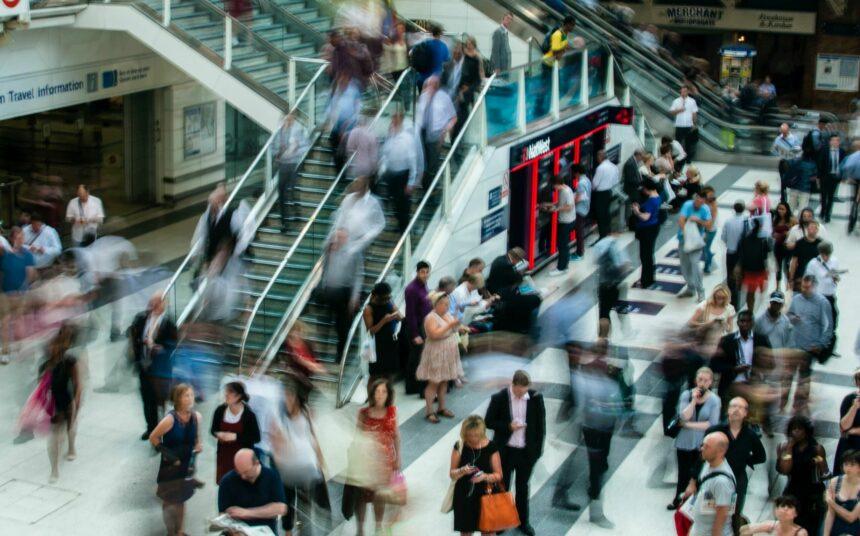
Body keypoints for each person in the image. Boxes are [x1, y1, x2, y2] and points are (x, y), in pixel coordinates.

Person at [484, 371, 545, 536]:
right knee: (503, 487)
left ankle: (523, 521)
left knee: (523, 487)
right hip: (506, 452)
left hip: (526, 453)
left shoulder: (536, 398)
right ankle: (502, 521)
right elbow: (488, 422)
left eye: (525, 391)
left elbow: (541, 427)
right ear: (514, 385)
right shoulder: (499, 398)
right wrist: (508, 426)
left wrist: (537, 452)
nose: (522, 394)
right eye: (519, 391)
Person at [270, 379, 328, 536]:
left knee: (304, 504)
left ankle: (304, 530)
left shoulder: (307, 413)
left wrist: (320, 461)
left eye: (290, 396)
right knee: (287, 501)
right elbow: (274, 442)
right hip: (286, 469)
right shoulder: (278, 416)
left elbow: (314, 437)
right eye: (285, 397)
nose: (287, 400)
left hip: (305, 467)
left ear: (296, 397)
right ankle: (288, 531)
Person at [149, 384, 203, 536]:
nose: (190, 398)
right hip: (170, 468)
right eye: (186, 395)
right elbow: (153, 437)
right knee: (169, 501)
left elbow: (197, 439)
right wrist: (169, 456)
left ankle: (180, 531)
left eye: (192, 395)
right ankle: (170, 533)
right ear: (178, 398)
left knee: (182, 500)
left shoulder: (196, 417)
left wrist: (199, 444)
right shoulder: (169, 419)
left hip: (186, 467)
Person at [354, 378, 402, 535]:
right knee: (361, 497)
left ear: (388, 394)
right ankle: (360, 529)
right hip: (365, 462)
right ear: (372, 394)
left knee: (379, 496)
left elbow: (396, 436)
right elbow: (357, 437)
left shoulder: (392, 412)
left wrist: (398, 457)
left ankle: (378, 526)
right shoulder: (363, 414)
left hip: (384, 463)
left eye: (384, 392)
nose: (380, 395)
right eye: (377, 391)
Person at [669, 367, 721, 509]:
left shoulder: (715, 400)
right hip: (684, 441)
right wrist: (693, 401)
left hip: (702, 443)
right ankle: (678, 499)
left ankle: (692, 503)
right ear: (695, 380)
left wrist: (688, 425)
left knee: (697, 474)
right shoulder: (686, 395)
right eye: (700, 379)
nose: (702, 383)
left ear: (710, 382)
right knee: (683, 473)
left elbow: (711, 424)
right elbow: (683, 415)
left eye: (706, 380)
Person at [705, 397, 766, 515]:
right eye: (733, 406)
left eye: (740, 407)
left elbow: (761, 456)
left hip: (737, 479)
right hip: (715, 476)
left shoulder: (750, 435)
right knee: (710, 512)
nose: (736, 410)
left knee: (734, 514)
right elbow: (702, 456)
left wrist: (745, 460)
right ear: (728, 410)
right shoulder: (715, 430)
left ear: (745, 413)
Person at [130, 294, 177, 440]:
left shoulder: (168, 323)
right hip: (144, 366)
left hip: (160, 370)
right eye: (152, 302)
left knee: (160, 401)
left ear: (164, 304)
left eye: (157, 303)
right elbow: (132, 334)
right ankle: (150, 427)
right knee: (146, 398)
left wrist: (160, 348)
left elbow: (173, 345)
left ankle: (161, 430)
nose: (154, 306)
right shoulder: (141, 319)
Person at [449, 415, 503, 536]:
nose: (473, 439)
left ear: (482, 433)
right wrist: (462, 470)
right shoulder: (460, 446)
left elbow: (499, 475)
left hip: (486, 494)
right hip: (465, 494)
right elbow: (452, 474)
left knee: (488, 531)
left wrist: (484, 476)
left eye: (476, 435)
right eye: (469, 436)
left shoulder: (491, 447)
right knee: (466, 530)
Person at [786, 274, 833, 413]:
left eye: (807, 287)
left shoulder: (822, 303)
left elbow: (829, 326)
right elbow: (788, 315)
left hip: (809, 348)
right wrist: (793, 318)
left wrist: (820, 344)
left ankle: (799, 405)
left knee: (803, 378)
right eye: (803, 287)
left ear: (814, 286)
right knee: (788, 376)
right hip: (794, 345)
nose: (804, 289)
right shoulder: (796, 299)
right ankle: (784, 402)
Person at [42, 323, 82, 483]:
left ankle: (72, 446)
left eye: (55, 345)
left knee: (70, 428)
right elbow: (40, 388)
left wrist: (77, 402)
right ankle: (54, 469)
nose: (53, 348)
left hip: (67, 400)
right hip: (53, 405)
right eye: (51, 346)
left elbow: (78, 384)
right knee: (53, 437)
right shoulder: (45, 365)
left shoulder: (69, 361)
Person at [416, 291, 463, 423]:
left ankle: (441, 408)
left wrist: (459, 326)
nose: (446, 307)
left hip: (448, 351)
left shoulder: (447, 314)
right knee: (434, 382)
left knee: (444, 381)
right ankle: (429, 411)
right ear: (435, 305)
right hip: (436, 351)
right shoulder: (430, 317)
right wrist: (450, 325)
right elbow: (433, 335)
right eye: (443, 304)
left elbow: (453, 328)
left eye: (447, 304)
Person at [777, 415, 828, 534]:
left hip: (812, 494)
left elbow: (825, 473)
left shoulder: (816, 448)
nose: (796, 432)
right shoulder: (785, 447)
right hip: (793, 491)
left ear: (806, 431)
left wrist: (820, 463)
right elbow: (785, 470)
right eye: (793, 429)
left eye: (799, 429)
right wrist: (789, 448)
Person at [218, 449, 288, 534]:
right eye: (239, 472)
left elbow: (281, 508)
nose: (243, 476)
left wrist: (247, 513)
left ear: (257, 463)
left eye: (246, 472)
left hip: (264, 531)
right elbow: (222, 514)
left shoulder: (272, 476)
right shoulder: (227, 481)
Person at [710, 309, 771, 405]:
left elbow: (771, 362)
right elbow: (714, 365)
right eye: (742, 321)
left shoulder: (761, 340)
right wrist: (733, 369)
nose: (745, 324)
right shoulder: (727, 341)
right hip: (731, 385)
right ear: (737, 323)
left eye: (748, 321)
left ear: (753, 323)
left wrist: (757, 371)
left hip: (755, 385)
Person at [379, 111, 421, 233]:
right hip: (391, 174)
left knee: (403, 203)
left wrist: (411, 181)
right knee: (394, 200)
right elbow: (385, 153)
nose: (392, 123)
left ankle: (405, 227)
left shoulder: (407, 139)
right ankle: (399, 224)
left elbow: (412, 160)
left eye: (395, 121)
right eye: (392, 121)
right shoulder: (390, 137)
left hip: (403, 174)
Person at [211, 382, 261, 484]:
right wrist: (218, 434)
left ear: (238, 396)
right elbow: (213, 429)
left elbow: (256, 437)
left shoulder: (249, 415)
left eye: (230, 392)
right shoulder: (220, 410)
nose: (226, 395)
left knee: (240, 485)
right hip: (224, 456)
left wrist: (235, 437)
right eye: (226, 392)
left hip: (242, 460)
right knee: (225, 484)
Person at [754, 291, 796, 412]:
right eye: (773, 303)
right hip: (764, 362)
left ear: (782, 305)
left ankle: (782, 407)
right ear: (770, 303)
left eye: (778, 303)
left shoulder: (786, 322)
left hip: (780, 361)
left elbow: (790, 343)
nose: (775, 305)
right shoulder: (759, 321)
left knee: (784, 385)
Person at [486, 247, 541, 334]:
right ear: (516, 259)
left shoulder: (500, 259)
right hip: (502, 295)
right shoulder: (506, 265)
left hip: (500, 290)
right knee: (534, 299)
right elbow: (516, 278)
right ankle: (524, 327)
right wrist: (521, 272)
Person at [416, 76, 457, 187]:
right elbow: (419, 117)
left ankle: (430, 187)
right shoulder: (423, 97)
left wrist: (445, 130)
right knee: (424, 159)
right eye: (429, 85)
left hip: (437, 133)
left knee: (433, 162)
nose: (431, 87)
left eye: (434, 85)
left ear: (437, 86)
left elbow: (453, 117)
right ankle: (426, 183)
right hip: (422, 133)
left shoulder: (444, 98)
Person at [804, 241, 840, 357]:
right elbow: (807, 279)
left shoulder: (834, 261)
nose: (826, 257)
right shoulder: (813, 264)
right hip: (818, 297)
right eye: (824, 254)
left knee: (833, 321)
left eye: (828, 254)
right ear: (820, 253)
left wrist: (835, 278)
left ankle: (829, 348)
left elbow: (835, 275)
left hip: (830, 295)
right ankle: (812, 347)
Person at [275, 114, 309, 231]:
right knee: (282, 193)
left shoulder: (297, 131)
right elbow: (272, 146)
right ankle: (284, 223)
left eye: (290, 120)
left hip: (293, 165)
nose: (287, 122)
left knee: (292, 190)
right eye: (285, 120)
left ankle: (296, 211)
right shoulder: (279, 132)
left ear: (293, 121)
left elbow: (305, 146)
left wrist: (295, 151)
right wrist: (276, 153)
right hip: (282, 166)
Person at [363, 282, 403, 379]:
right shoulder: (369, 309)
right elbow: (371, 331)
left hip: (389, 341)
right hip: (376, 345)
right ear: (377, 296)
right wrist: (383, 321)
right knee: (374, 375)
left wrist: (396, 315)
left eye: (389, 297)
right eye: (385, 298)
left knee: (389, 373)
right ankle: (372, 394)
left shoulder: (389, 303)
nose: (387, 300)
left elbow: (401, 317)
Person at [677, 191, 712, 302]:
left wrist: (698, 220)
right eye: (697, 200)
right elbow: (681, 220)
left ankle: (700, 291)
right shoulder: (688, 205)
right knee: (685, 266)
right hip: (684, 239)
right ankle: (690, 287)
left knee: (695, 265)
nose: (698, 203)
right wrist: (686, 234)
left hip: (696, 241)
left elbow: (709, 225)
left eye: (701, 202)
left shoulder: (705, 209)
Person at [404, 261, 432, 394]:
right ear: (417, 272)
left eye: (427, 272)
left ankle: (417, 385)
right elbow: (411, 314)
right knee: (415, 358)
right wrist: (415, 334)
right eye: (422, 272)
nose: (425, 275)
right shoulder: (412, 289)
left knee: (420, 357)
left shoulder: (423, 286)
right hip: (416, 327)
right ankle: (411, 386)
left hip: (424, 325)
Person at [539, 15, 575, 116]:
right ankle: (539, 107)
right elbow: (555, 50)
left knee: (554, 85)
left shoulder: (564, 34)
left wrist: (568, 48)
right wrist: (564, 47)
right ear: (567, 24)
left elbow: (563, 47)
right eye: (572, 25)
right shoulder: (558, 34)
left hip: (553, 64)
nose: (573, 28)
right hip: (547, 63)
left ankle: (550, 106)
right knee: (545, 86)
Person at [736, 218, 772, 313]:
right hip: (760, 270)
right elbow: (768, 253)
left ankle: (751, 311)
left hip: (748, 270)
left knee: (750, 293)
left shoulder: (744, 238)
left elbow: (741, 255)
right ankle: (758, 310)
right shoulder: (764, 239)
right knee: (762, 292)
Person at [632, 179, 662, 288]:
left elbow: (645, 217)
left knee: (645, 256)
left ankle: (645, 280)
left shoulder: (651, 201)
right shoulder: (657, 196)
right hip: (654, 227)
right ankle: (649, 278)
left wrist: (637, 211)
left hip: (647, 230)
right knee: (649, 255)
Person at [824, 450, 860, 536]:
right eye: (845, 464)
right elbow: (830, 513)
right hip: (836, 528)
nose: (848, 468)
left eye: (852, 465)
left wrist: (831, 503)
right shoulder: (834, 482)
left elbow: (851, 517)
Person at [722, 201, 749, 309]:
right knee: (741, 275)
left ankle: (734, 301)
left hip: (731, 252)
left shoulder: (728, 221)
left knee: (730, 276)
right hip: (744, 253)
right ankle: (738, 295)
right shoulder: (747, 221)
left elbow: (723, 237)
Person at [547, 174, 576, 276]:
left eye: (553, 185)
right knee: (563, 245)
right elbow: (561, 203)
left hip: (566, 222)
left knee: (562, 246)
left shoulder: (566, 192)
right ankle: (564, 266)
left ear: (557, 184)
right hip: (567, 221)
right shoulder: (564, 190)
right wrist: (550, 205)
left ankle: (561, 268)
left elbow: (569, 207)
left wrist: (556, 209)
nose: (553, 188)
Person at [833, 370, 860, 476]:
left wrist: (853, 430)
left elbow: (849, 430)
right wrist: (854, 407)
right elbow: (843, 427)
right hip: (849, 446)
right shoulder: (849, 399)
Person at [739, 495, 808, 536]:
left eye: (790, 507)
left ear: (796, 513)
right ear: (776, 511)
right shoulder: (771, 525)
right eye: (783, 506)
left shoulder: (800, 533)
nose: (785, 509)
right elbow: (743, 530)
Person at [591, 150, 620, 239]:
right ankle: (608, 232)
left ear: (600, 157)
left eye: (597, 157)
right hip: (609, 192)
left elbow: (595, 183)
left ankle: (602, 235)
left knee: (600, 215)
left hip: (600, 194)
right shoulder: (614, 166)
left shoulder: (600, 168)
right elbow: (616, 180)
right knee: (607, 213)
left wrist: (592, 189)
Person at [817, 134, 845, 223]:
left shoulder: (842, 151)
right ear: (830, 141)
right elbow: (820, 163)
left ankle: (828, 214)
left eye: (837, 140)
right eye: (833, 140)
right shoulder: (824, 150)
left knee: (831, 197)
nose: (835, 142)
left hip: (835, 177)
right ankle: (822, 212)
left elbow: (843, 164)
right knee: (823, 196)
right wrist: (819, 177)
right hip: (825, 177)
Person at [788, 220, 822, 292]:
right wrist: (791, 278)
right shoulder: (800, 243)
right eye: (811, 227)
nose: (812, 230)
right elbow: (794, 261)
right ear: (807, 229)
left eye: (815, 228)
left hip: (815, 277)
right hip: (800, 275)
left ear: (817, 230)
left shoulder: (821, 244)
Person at [785, 146, 818, 215]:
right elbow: (814, 177)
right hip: (806, 188)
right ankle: (800, 222)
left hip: (794, 186)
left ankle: (789, 221)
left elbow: (788, 165)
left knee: (791, 206)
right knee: (802, 208)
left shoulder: (796, 162)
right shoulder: (813, 164)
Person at [772, 123, 801, 203]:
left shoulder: (794, 138)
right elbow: (774, 150)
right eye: (782, 132)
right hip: (783, 161)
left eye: (784, 132)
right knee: (783, 180)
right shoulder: (778, 139)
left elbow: (798, 149)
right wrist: (780, 154)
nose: (783, 134)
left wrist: (790, 152)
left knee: (793, 180)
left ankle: (795, 198)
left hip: (792, 162)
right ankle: (783, 198)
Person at [771, 203, 796, 292]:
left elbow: (796, 230)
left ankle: (788, 286)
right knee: (778, 267)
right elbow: (772, 231)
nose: (780, 211)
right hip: (778, 246)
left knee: (787, 267)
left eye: (783, 209)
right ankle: (777, 287)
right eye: (779, 209)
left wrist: (789, 233)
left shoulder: (792, 220)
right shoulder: (776, 219)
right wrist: (775, 235)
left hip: (787, 247)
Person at [345, 115, 379, 179]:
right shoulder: (372, 134)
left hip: (357, 165)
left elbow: (349, 147)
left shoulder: (354, 131)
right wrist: (375, 169)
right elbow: (374, 155)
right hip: (368, 166)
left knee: (358, 183)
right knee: (367, 183)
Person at [669, 86, 698, 161]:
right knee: (678, 142)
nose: (683, 93)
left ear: (687, 92)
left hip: (689, 125)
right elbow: (671, 112)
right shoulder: (676, 101)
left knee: (688, 143)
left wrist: (694, 124)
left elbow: (694, 113)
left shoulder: (692, 101)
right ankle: (678, 158)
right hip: (679, 125)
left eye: (685, 91)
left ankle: (688, 159)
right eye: (682, 91)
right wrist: (679, 110)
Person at [572, 164, 591, 260]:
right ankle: (580, 251)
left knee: (579, 232)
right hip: (585, 208)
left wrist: (571, 203)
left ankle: (580, 253)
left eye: (574, 174)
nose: (574, 176)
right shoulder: (587, 180)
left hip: (579, 210)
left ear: (578, 173)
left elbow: (579, 197)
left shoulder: (580, 183)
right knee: (580, 231)